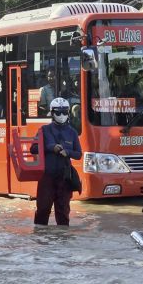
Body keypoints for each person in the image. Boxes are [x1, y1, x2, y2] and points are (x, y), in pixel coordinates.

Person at [34, 97, 83, 226]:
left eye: (65, 112)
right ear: (52, 113)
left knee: (63, 212)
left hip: (64, 178)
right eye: (58, 112)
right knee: (43, 210)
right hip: (47, 176)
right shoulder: (44, 130)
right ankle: (41, 241)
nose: (61, 115)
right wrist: (51, 148)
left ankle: (62, 242)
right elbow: (33, 148)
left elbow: (79, 154)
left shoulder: (72, 132)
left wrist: (68, 152)